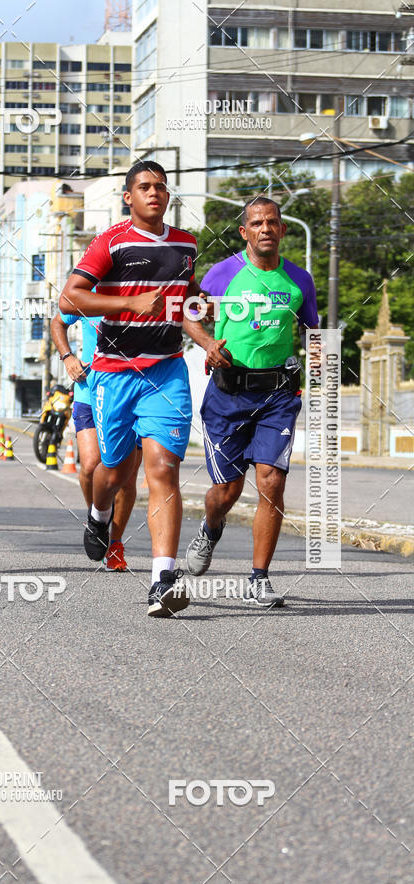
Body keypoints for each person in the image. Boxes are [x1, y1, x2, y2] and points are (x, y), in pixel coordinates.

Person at [59, 160, 215, 618]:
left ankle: (162, 580)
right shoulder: (111, 241)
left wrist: (201, 313)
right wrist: (129, 302)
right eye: (145, 186)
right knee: (111, 472)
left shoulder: (186, 244)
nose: (154, 193)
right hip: (114, 373)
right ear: (128, 197)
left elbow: (183, 297)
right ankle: (99, 516)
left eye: (161, 187)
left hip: (166, 371)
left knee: (163, 469)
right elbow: (70, 298)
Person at [184, 196, 318, 607]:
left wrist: (320, 359)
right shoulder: (223, 273)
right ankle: (211, 527)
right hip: (228, 393)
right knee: (226, 491)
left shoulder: (300, 281)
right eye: (257, 223)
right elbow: (189, 314)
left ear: (282, 229)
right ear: (244, 232)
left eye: (272, 222)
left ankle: (259, 579)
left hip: (278, 394)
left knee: (272, 482)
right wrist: (208, 344)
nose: (265, 229)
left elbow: (313, 332)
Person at [51, 310, 142, 571]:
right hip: (88, 390)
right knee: (90, 465)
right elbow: (57, 322)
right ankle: (98, 521)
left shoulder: (140, 291)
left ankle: (115, 544)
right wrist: (67, 357)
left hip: (131, 392)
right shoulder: (86, 292)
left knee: (127, 477)